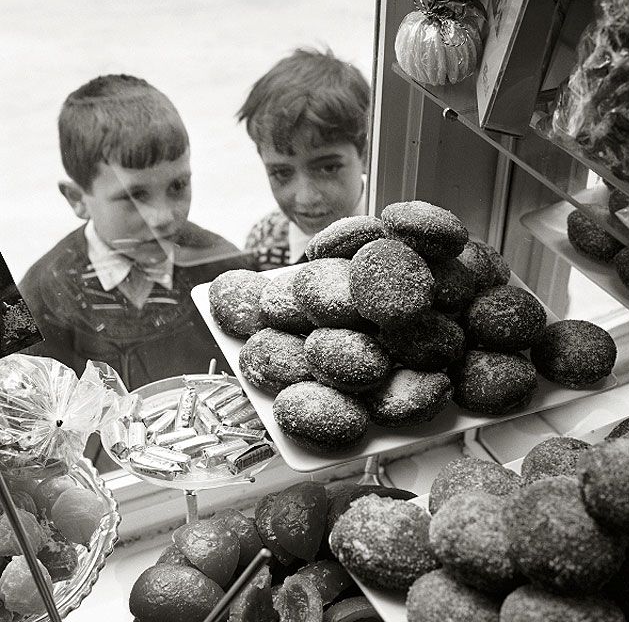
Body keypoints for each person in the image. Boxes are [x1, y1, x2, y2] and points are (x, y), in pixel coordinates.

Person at [19, 74, 254, 392]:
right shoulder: (40, 294)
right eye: (135, 196)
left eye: (177, 186)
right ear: (77, 199)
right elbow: (20, 410)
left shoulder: (222, 269)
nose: (163, 217)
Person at [238, 48, 371, 269]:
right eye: (282, 173)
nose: (306, 198)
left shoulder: (391, 245)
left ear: (366, 154)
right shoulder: (265, 242)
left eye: (328, 168)